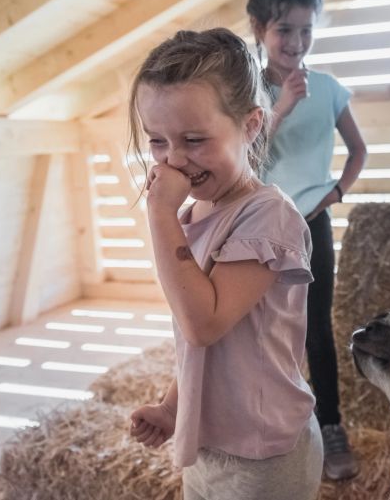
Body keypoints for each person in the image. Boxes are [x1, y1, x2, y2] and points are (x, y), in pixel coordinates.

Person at [127, 28, 323, 500]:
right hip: (210, 445)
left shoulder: (267, 217)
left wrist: (158, 213)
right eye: (157, 141)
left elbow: (204, 325)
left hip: (265, 454)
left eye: (194, 139)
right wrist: (175, 409)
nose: (174, 160)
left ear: (251, 126)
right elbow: (207, 353)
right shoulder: (195, 215)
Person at [247, 0, 368, 481]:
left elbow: (359, 151)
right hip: (258, 225)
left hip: (311, 227)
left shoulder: (329, 89)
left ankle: (331, 425)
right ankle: (273, 424)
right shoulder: (245, 92)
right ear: (258, 29)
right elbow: (245, 156)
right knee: (266, 328)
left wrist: (335, 193)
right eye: (284, 31)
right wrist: (281, 107)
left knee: (317, 328)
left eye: (305, 30)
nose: (296, 43)